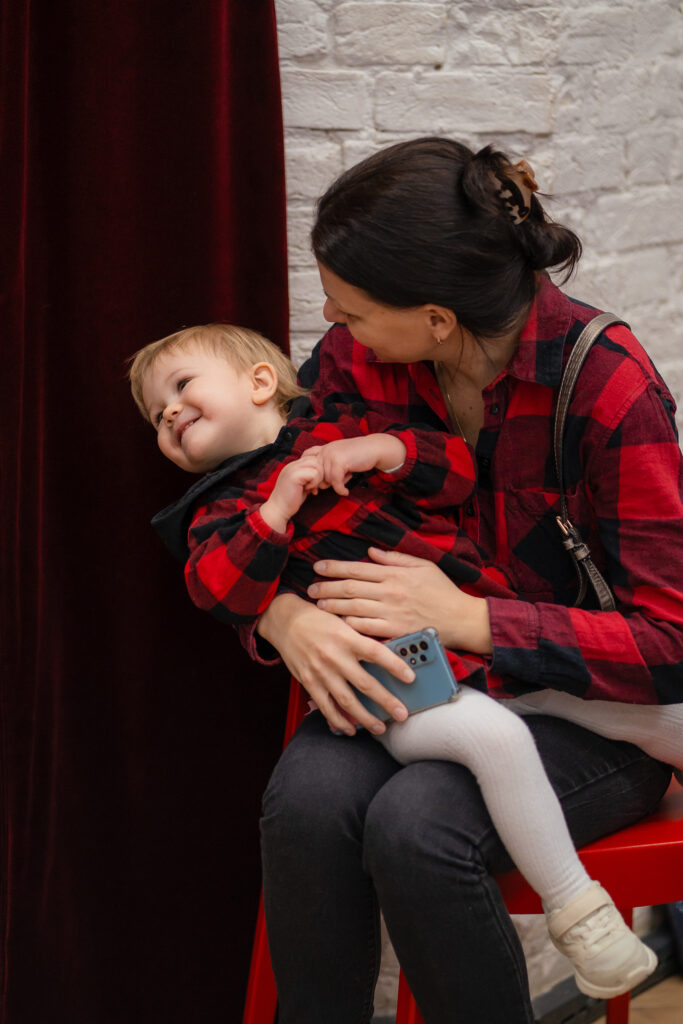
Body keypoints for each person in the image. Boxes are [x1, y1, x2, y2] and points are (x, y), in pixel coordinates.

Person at [244, 138, 683, 1024]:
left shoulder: (605, 387)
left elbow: (667, 647)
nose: (329, 315)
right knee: (305, 804)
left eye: (354, 306)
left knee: (417, 831)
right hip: (411, 680)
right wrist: (282, 618)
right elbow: (255, 509)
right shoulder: (352, 361)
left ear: (437, 319)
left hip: (583, 711)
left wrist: (469, 616)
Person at [129, 322, 681, 1007]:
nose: (171, 413)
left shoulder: (340, 431)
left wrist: (381, 447)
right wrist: (276, 520)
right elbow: (219, 590)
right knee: (491, 738)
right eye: (157, 416)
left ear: (260, 383)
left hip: (483, 637)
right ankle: (581, 917)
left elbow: (453, 472)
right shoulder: (216, 512)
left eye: (181, 389)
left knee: (651, 715)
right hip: (399, 677)